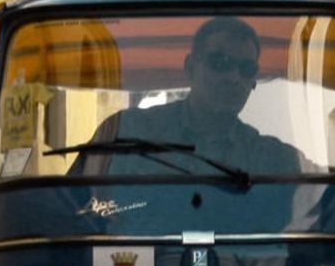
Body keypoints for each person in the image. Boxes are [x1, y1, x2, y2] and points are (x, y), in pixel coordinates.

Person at [71, 16, 311, 177]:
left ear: (253, 81)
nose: (233, 77)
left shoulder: (275, 160)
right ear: (190, 67)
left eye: (246, 69)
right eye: (220, 63)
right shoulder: (124, 134)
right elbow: (69, 212)